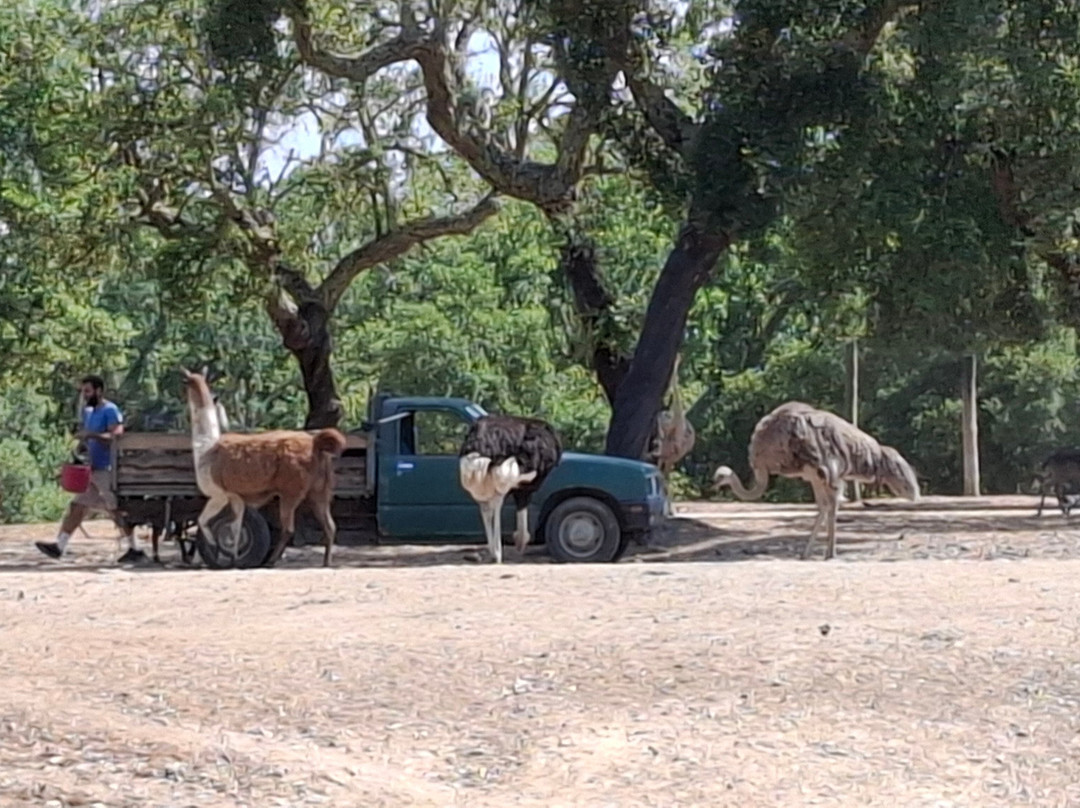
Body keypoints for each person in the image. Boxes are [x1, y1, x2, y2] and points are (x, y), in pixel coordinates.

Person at [35, 375, 146, 563]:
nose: (84, 395)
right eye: (83, 391)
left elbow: (116, 436)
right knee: (77, 506)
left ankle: (135, 549)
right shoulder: (89, 412)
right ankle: (59, 546)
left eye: (87, 391)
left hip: (107, 469)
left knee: (116, 509)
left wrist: (92, 434)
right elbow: (89, 438)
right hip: (92, 468)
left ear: (99, 391)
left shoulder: (110, 410)